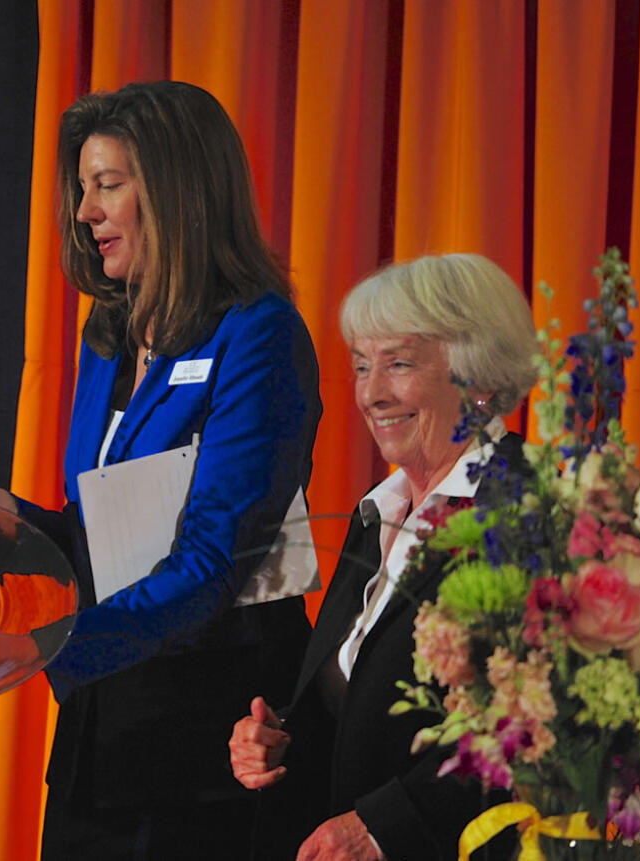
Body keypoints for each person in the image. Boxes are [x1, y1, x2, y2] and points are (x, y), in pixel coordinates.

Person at [0, 81, 321, 858]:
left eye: (107, 186)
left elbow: (210, 560)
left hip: (210, 740)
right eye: (82, 189)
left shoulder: (259, 335)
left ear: (178, 191)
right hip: (102, 734)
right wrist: (16, 520)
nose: (84, 211)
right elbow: (112, 533)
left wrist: (44, 644)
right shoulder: (110, 332)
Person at [228, 253, 538, 860]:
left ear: (476, 379)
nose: (371, 393)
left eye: (398, 364)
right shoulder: (377, 515)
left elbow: (536, 728)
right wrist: (281, 735)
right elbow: (365, 697)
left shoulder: (528, 512)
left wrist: (383, 826)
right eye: (362, 366)